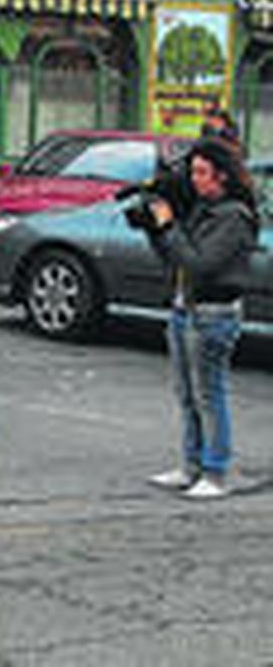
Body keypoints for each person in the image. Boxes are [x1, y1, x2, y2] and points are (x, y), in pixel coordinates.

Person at [145, 137, 258, 499]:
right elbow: (175, 259)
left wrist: (169, 228)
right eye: (192, 171)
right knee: (186, 395)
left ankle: (216, 471)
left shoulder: (234, 216)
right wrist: (154, 229)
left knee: (209, 395)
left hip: (213, 314)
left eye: (201, 172)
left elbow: (201, 264)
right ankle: (191, 466)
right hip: (183, 309)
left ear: (222, 176)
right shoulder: (201, 208)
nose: (194, 179)